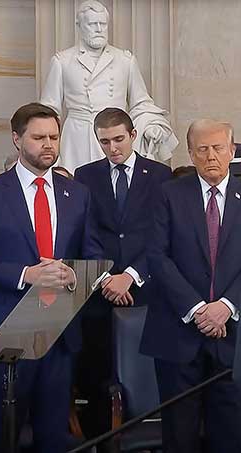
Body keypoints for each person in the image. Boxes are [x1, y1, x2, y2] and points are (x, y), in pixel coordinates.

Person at [140, 120, 241, 452]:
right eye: (202, 149)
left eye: (218, 148)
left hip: (234, 338)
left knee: (227, 436)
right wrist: (198, 309)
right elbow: (157, 257)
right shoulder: (167, 195)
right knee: (178, 437)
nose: (210, 155)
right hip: (177, 332)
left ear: (232, 151)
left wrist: (225, 308)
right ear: (190, 152)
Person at [0, 102, 102, 452]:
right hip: (6, 334)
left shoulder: (78, 195)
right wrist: (25, 274)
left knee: (54, 436)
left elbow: (94, 255)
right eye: (38, 137)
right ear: (17, 139)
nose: (48, 144)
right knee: (1, 434)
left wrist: (73, 274)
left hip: (60, 333)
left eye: (54, 136)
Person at [73, 107, 171, 437]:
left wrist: (130, 274)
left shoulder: (159, 174)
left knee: (147, 370)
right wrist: (106, 278)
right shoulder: (85, 175)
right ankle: (102, 442)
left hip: (144, 288)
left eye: (118, 139)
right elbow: (86, 232)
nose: (113, 148)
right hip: (101, 292)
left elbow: (161, 235)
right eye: (104, 142)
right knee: (99, 374)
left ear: (132, 135)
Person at [40, 0, 178, 173]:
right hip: (78, 137)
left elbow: (141, 102)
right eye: (92, 24)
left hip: (116, 135)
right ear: (79, 26)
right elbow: (49, 110)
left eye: (102, 24)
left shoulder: (125, 60)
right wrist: (48, 143)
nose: (99, 29)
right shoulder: (62, 61)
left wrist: (151, 125)